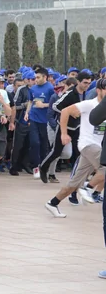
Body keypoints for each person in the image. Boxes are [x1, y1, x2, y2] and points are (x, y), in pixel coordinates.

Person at [45, 78, 106, 218]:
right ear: (98, 90)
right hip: (87, 144)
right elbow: (65, 111)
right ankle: (88, 188)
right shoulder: (89, 104)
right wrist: (64, 133)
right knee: (105, 168)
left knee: (74, 183)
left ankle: (53, 203)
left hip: (96, 147)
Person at [39, 72, 91, 184]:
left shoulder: (85, 94)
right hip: (64, 126)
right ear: (78, 82)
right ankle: (43, 167)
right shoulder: (70, 94)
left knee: (80, 151)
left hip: (77, 127)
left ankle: (81, 175)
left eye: (89, 83)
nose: (87, 85)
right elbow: (55, 106)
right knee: (56, 152)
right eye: (85, 83)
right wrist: (69, 112)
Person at [26, 67, 55, 179]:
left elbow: (54, 104)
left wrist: (43, 105)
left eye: (38, 77)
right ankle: (35, 167)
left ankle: (43, 167)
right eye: (35, 78)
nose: (36, 80)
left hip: (45, 120)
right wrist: (27, 112)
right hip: (34, 118)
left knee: (44, 145)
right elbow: (30, 101)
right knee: (34, 143)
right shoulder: (33, 88)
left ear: (45, 77)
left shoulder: (50, 88)